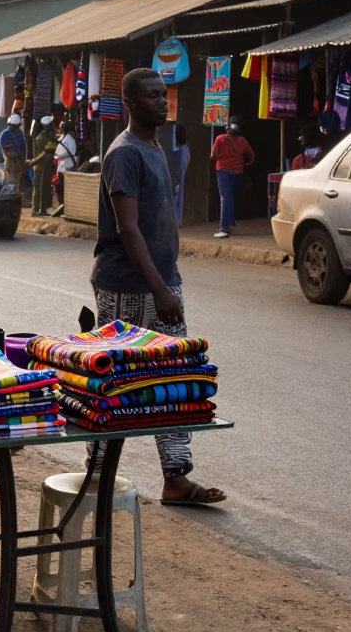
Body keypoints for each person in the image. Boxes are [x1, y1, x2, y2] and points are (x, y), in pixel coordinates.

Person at [91, 68, 225, 507]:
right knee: (115, 382)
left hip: (163, 283)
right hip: (129, 287)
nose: (159, 102)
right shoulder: (124, 153)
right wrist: (159, 291)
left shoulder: (154, 147)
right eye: (149, 97)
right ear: (129, 104)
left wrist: (169, 285)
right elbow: (128, 231)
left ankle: (176, 477)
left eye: (162, 95)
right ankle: (95, 477)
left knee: (173, 379)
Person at [210, 116, 254, 239]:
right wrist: (244, 164)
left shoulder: (220, 139)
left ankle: (224, 228)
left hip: (223, 171)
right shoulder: (243, 141)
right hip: (238, 172)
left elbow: (213, 155)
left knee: (225, 198)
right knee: (231, 198)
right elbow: (251, 156)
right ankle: (230, 224)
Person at [27, 116, 57, 216]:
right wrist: (34, 161)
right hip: (40, 166)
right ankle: (35, 210)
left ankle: (42, 210)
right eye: (51, 123)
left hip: (43, 165)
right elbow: (46, 152)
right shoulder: (43, 136)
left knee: (44, 188)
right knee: (38, 189)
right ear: (46, 125)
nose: (53, 125)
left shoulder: (47, 135)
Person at [0, 113, 29, 203]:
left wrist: (23, 159)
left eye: (16, 125)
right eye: (14, 125)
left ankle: (17, 200)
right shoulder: (5, 134)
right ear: (9, 124)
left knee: (19, 182)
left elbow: (23, 147)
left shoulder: (20, 133)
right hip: (11, 162)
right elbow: (7, 151)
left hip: (20, 161)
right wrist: (16, 155)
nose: (15, 127)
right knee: (10, 181)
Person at [53, 119, 79, 206]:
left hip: (67, 167)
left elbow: (70, 152)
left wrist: (58, 155)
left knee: (61, 187)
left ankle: (64, 205)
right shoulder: (68, 138)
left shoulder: (69, 139)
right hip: (64, 167)